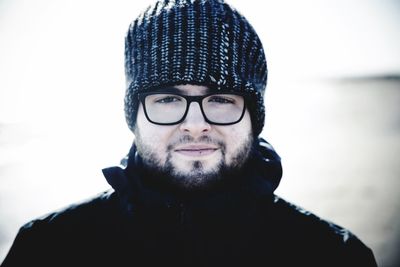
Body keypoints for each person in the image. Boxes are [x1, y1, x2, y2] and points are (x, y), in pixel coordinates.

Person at [1, 0, 377, 266]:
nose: (195, 124)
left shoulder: (331, 255)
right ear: (134, 116)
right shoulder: (49, 250)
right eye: (167, 98)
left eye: (220, 99)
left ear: (253, 115)